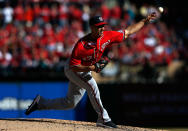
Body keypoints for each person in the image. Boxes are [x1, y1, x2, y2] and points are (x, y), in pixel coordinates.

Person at [25, 13, 157, 128]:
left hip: (84, 69)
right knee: (92, 86)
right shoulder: (81, 45)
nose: (102, 28)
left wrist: (144, 21)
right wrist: (92, 68)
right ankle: (104, 119)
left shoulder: (106, 36)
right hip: (74, 69)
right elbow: (73, 66)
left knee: (70, 103)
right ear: (92, 27)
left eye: (103, 25)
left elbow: (128, 32)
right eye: (99, 26)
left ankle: (40, 103)